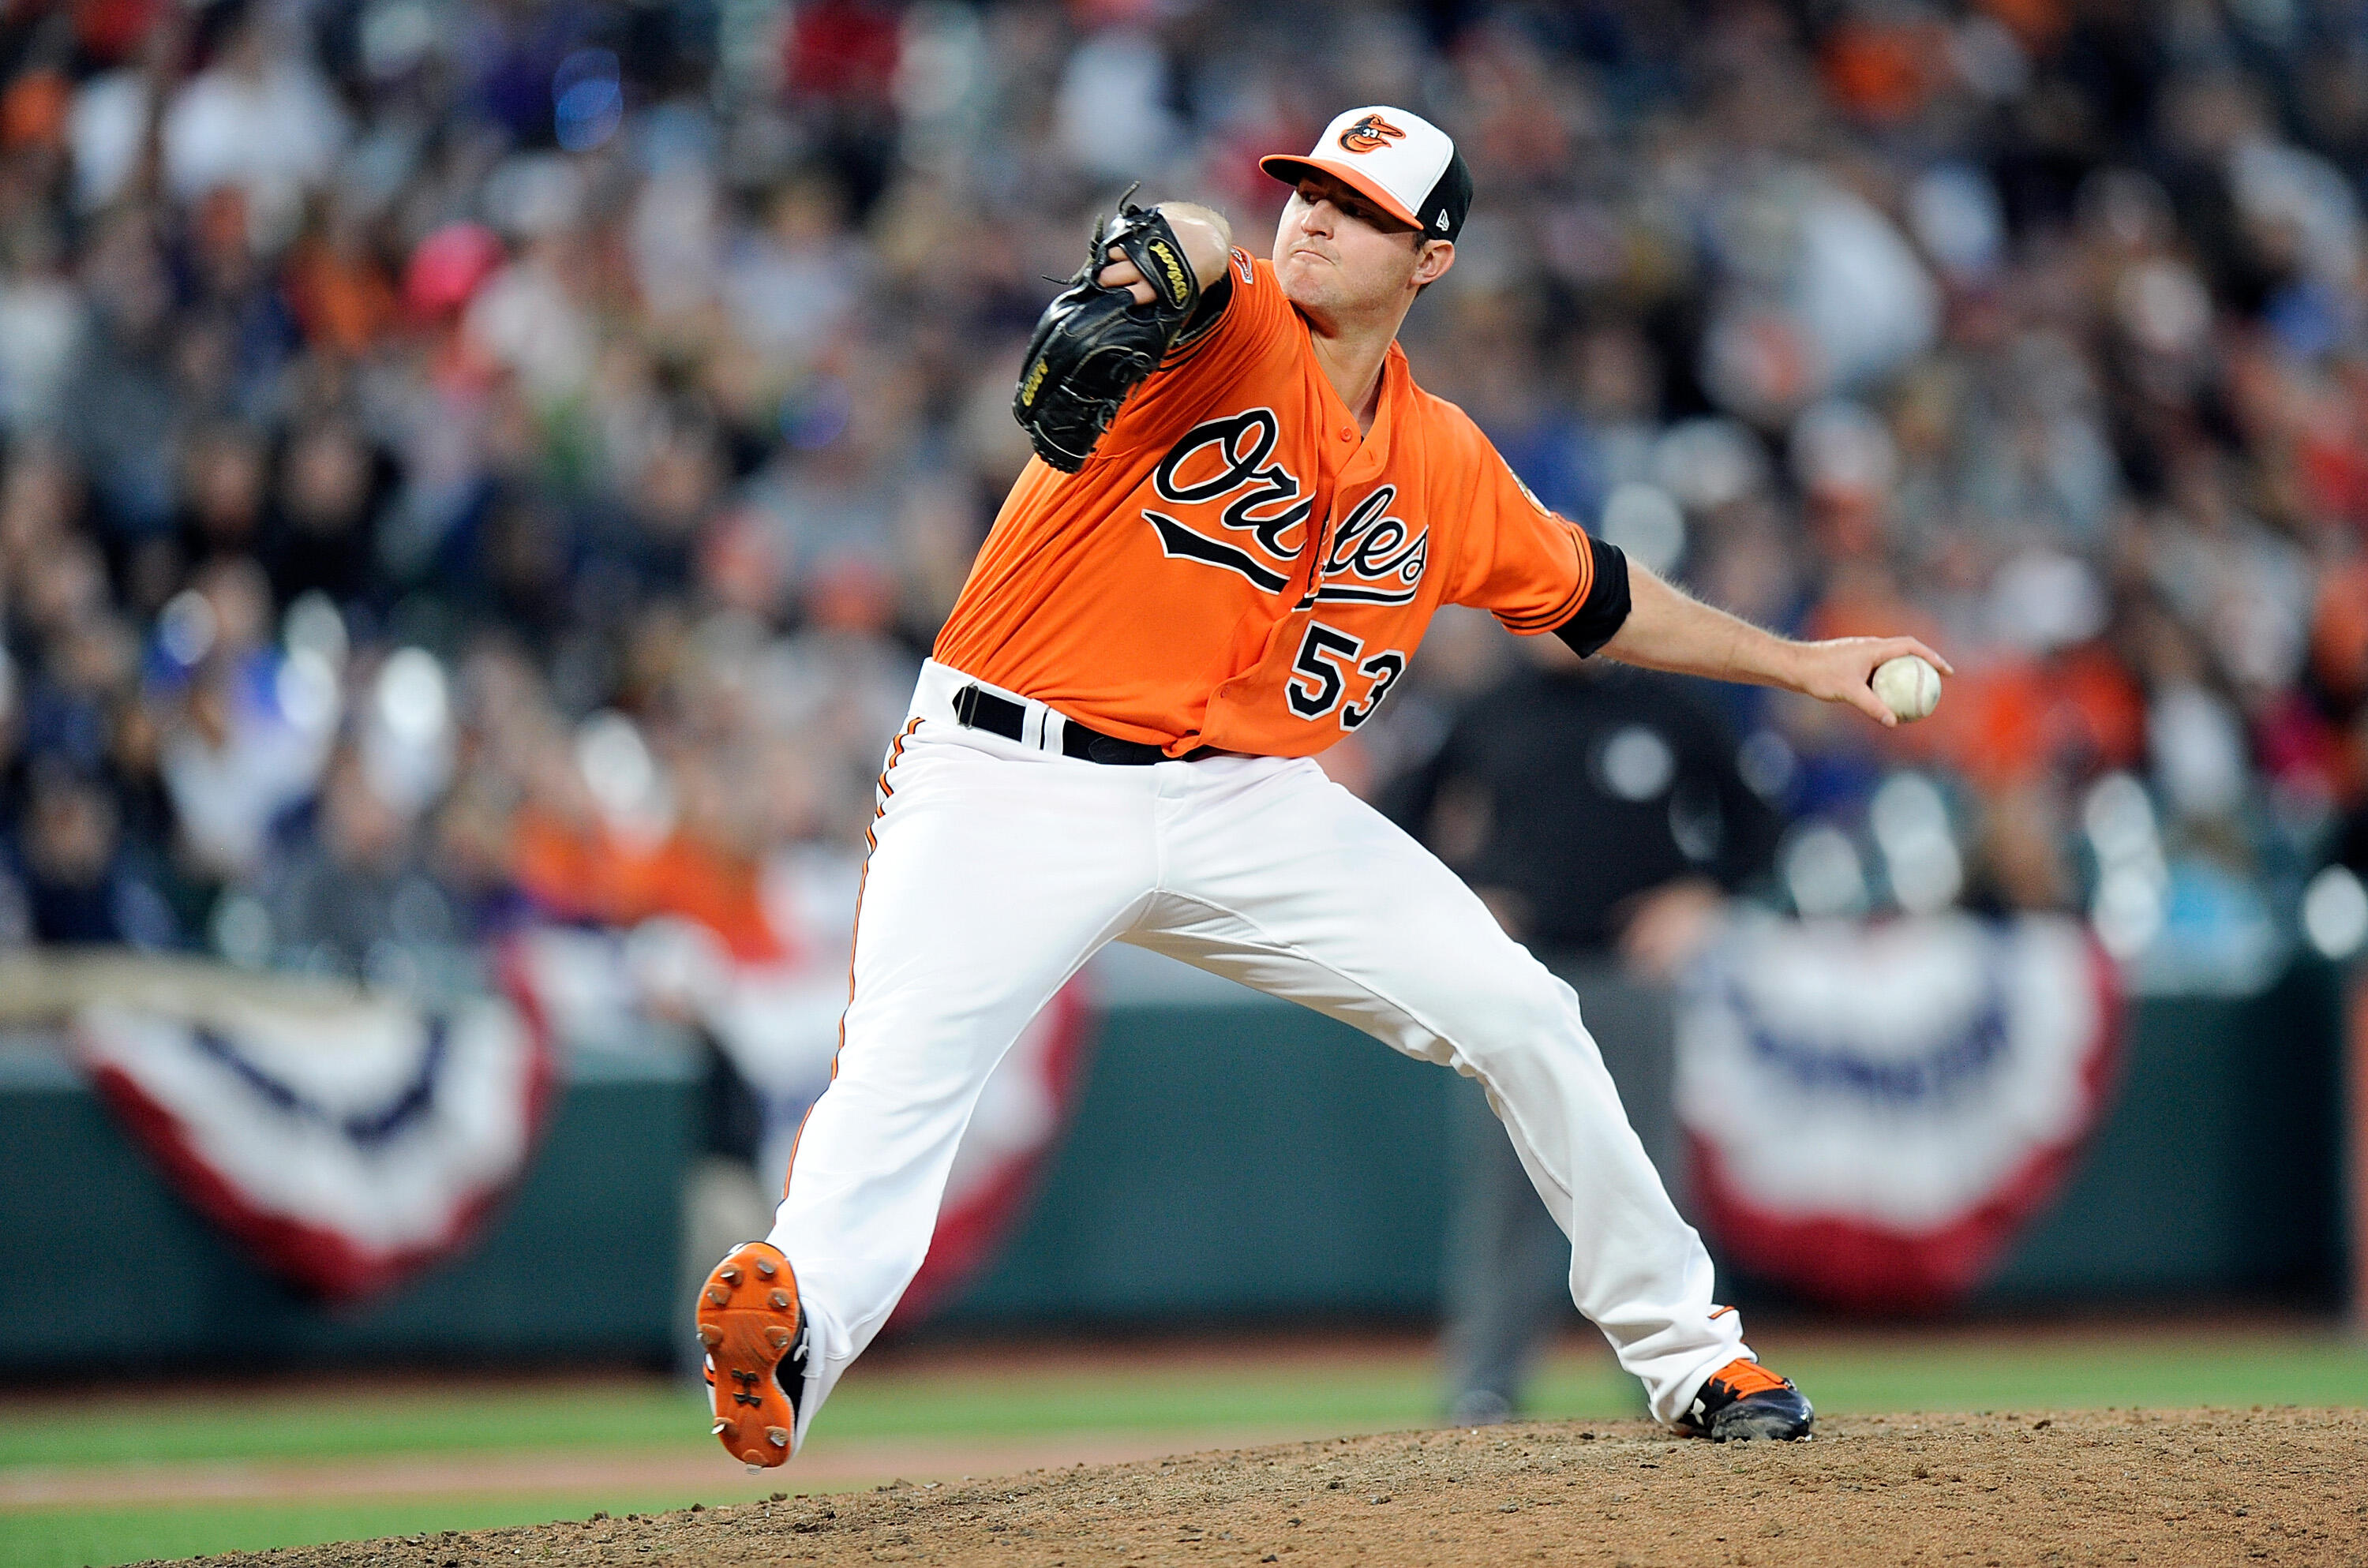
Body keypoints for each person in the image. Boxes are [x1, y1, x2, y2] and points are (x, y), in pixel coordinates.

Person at [695, 106, 1950, 1465]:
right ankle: (793, 1334)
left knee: (1523, 1009)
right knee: (899, 1076)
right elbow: (1188, 235)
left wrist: (1807, 663)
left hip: (1244, 796)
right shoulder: (1228, 324)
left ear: (1433, 259)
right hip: (1012, 768)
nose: (1315, 217)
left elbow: (1599, 599)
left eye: (1359, 209)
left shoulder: (1442, 462)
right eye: (1309, 191)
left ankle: (1697, 1357)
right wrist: (1136, 270)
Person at [1388, 638, 1781, 1424]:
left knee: (1650, 1177)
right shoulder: (1491, 710)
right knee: (1504, 1188)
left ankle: (1681, 1377)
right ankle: (1485, 1385)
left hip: (1627, 978)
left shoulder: (1668, 707)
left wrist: (1701, 895)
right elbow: (1400, 820)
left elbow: (1760, 826)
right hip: (1519, 980)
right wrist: (1465, 899)